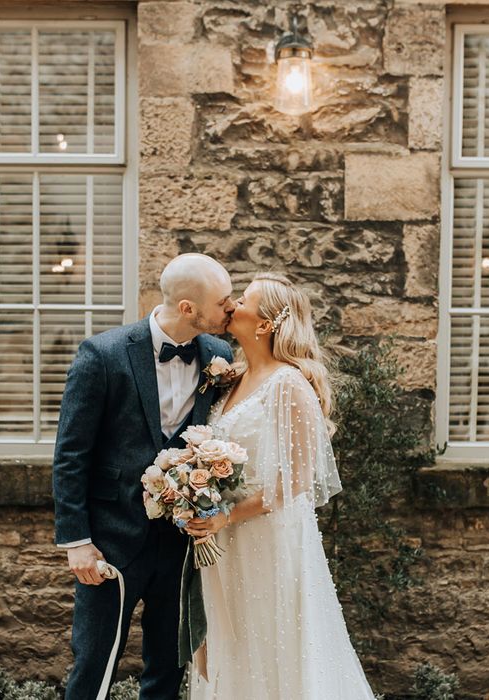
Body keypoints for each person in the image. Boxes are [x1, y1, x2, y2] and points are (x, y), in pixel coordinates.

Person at [185, 272, 377, 700]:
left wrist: (227, 515)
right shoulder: (230, 379)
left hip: (267, 538)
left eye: (245, 299)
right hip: (222, 540)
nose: (233, 303)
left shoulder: (289, 384)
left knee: (271, 640)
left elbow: (297, 480)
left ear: (266, 323)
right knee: (227, 641)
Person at [52, 254, 234, 700]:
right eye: (223, 301)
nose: (232, 308)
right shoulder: (103, 354)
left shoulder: (219, 355)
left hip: (180, 542)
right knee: (95, 661)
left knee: (169, 665)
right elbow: (71, 454)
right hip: (111, 540)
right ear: (189, 308)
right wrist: (76, 541)